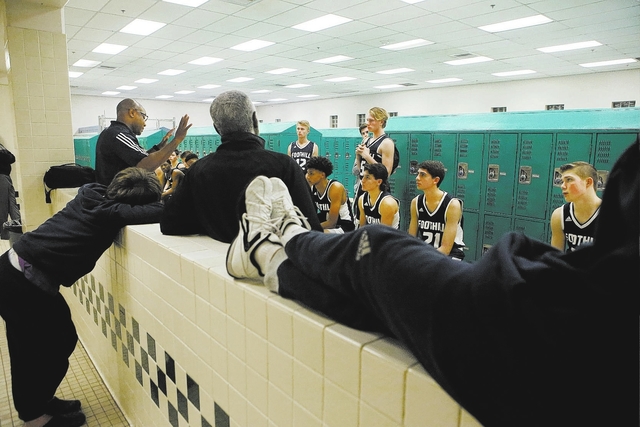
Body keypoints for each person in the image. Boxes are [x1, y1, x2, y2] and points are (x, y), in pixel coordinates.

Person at [225, 136, 638, 427]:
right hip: (588, 323)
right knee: (378, 303)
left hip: (579, 335)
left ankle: (282, 237)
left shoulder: (418, 202)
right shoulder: (556, 217)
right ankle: (270, 259)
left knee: (374, 249)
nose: (561, 186)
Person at [0, 167, 164, 427]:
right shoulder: (110, 213)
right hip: (23, 282)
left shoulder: (91, 193)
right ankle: (35, 417)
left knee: (50, 342)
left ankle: (40, 401)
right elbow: (157, 212)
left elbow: (127, 207)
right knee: (38, 350)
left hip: (16, 272)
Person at [160, 90, 322, 243]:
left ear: (217, 129)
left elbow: (170, 223)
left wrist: (210, 225)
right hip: (271, 263)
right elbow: (311, 228)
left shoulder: (199, 170)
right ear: (254, 120)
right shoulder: (284, 166)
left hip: (216, 263)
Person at [95, 98, 192, 185]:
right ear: (132, 112)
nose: (144, 123)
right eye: (143, 116)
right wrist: (177, 140)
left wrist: (159, 147)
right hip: (117, 198)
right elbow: (145, 166)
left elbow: (140, 157)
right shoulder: (118, 135)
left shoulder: (115, 132)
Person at [408, 160, 465, 260]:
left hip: (450, 256)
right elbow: (410, 239)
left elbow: (446, 249)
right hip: (426, 253)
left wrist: (421, 258)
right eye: (418, 174)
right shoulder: (415, 202)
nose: (417, 178)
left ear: (436, 180)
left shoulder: (452, 204)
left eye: (423, 175)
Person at [353, 107, 396, 220]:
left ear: (381, 121)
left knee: (376, 223)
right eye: (367, 120)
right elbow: (360, 169)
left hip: (378, 189)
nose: (368, 123)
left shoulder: (386, 143)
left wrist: (367, 156)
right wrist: (358, 156)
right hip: (363, 186)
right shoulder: (366, 140)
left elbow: (386, 172)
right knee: (360, 222)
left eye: (371, 120)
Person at [550, 161, 602, 252]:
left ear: (588, 182)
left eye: (569, 180)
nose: (562, 186)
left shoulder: (612, 214)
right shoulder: (559, 215)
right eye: (562, 181)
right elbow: (555, 259)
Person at [305, 156, 354, 233]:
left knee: (314, 235)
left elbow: (332, 223)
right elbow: (312, 215)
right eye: (307, 173)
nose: (307, 177)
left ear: (322, 175)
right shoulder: (313, 189)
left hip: (343, 226)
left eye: (311, 173)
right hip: (327, 223)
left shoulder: (335, 188)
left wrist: (310, 228)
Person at [358, 163, 399, 229]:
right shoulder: (362, 199)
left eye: (367, 177)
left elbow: (384, 235)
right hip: (372, 237)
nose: (362, 181)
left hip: (389, 238)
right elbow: (362, 228)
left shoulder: (387, 204)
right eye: (363, 177)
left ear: (379, 182)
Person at [0, 143, 21, 240]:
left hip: (6, 177)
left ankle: (18, 227)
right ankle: (4, 234)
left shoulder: (1, 146)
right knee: (3, 206)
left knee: (12, 203)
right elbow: (9, 158)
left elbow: (12, 158)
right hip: (2, 177)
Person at [351, 124, 370, 195]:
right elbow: (354, 171)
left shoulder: (376, 148)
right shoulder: (360, 149)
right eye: (363, 133)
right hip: (360, 186)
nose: (365, 135)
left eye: (367, 132)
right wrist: (358, 157)